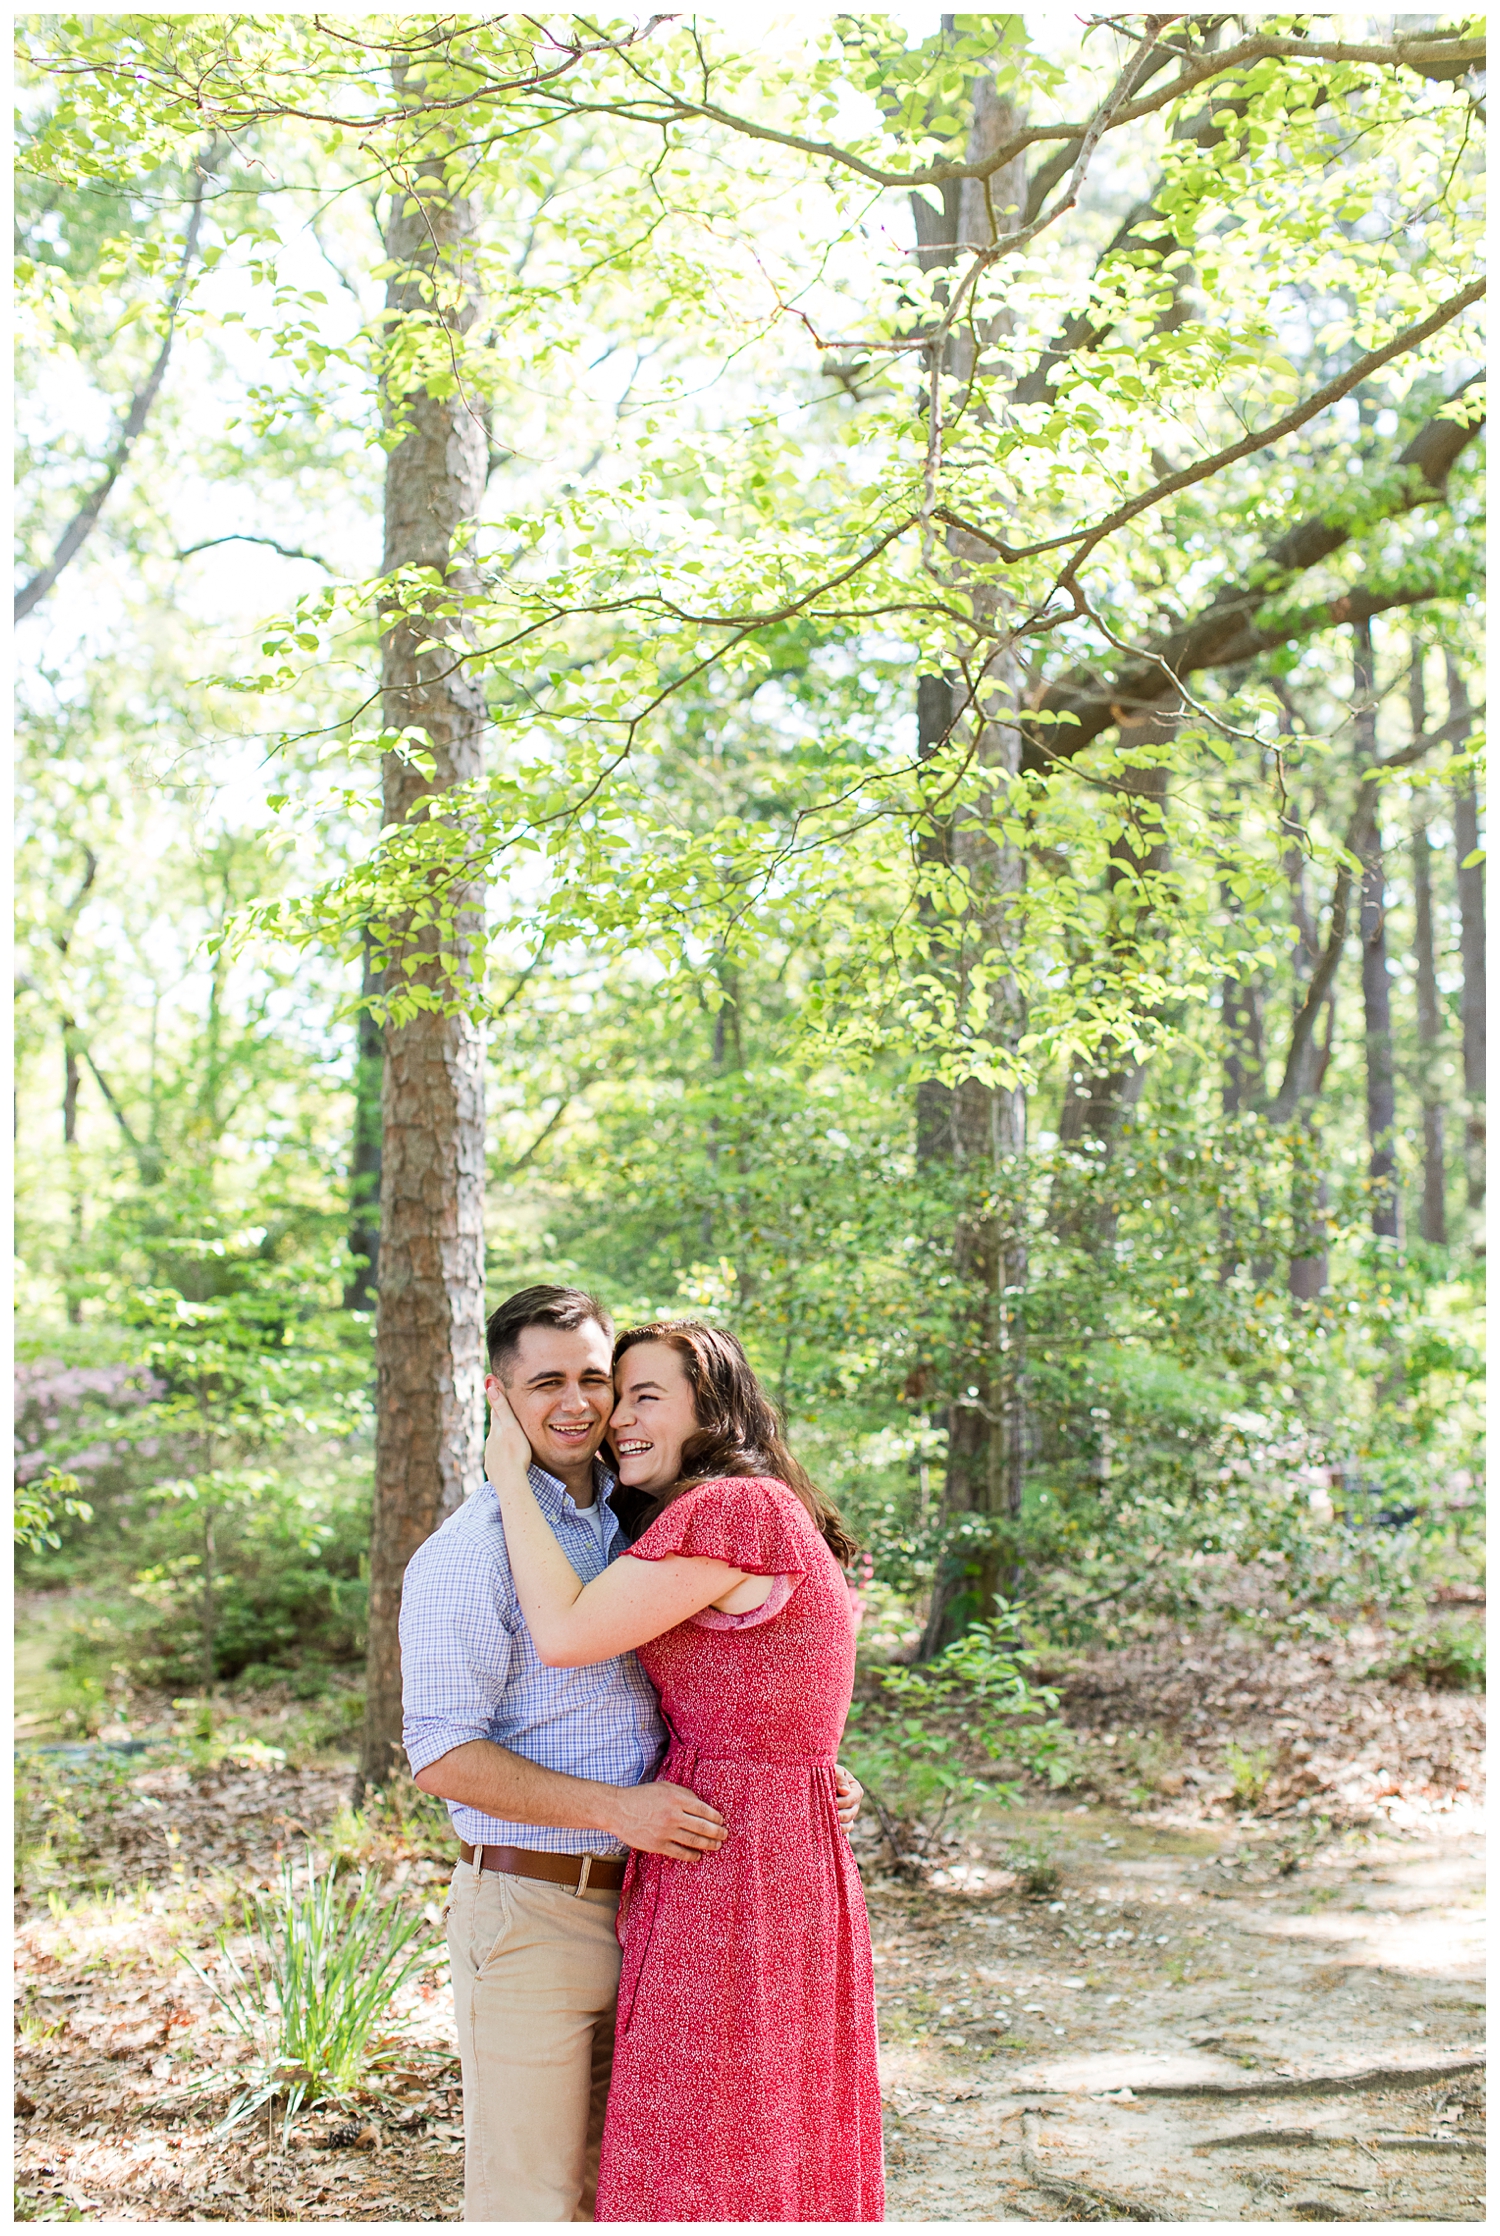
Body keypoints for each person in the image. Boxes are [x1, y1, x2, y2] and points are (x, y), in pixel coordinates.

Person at [399, 1285, 863, 2224]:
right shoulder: (473, 1551)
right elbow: (442, 1754)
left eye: (604, 1382)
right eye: (546, 1383)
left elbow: (739, 1672)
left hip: (673, 1903)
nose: (582, 1405)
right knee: (535, 2199)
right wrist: (620, 1810)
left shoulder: (638, 1523)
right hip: (538, 1907)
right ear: (500, 1396)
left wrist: (796, 1768)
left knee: (656, 2185)